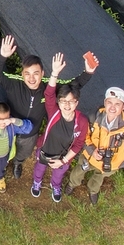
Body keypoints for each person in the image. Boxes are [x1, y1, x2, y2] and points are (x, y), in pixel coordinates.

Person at [0, 35, 98, 179]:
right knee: (4, 148)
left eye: (36, 74)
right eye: (27, 74)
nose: (31, 78)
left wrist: (88, 73)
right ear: (22, 74)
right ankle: (3, 164)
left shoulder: (50, 86)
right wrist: (2, 56)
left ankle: (18, 162)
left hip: (31, 133)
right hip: (9, 127)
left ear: (42, 73)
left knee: (24, 152)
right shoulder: (14, 83)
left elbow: (72, 86)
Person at [66, 86, 124, 205]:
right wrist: (92, 151)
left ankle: (93, 190)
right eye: (109, 102)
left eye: (117, 104)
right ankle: (72, 184)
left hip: (111, 161)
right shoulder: (93, 117)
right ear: (104, 103)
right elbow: (83, 137)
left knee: (99, 177)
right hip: (90, 157)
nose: (112, 107)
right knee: (79, 170)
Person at [30, 53, 89, 203]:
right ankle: (37, 182)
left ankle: (55, 186)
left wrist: (63, 161)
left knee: (58, 175)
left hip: (63, 158)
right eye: (63, 101)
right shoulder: (54, 112)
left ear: (76, 103)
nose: (67, 105)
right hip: (44, 151)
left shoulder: (81, 121)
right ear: (59, 102)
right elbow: (49, 94)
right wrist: (55, 73)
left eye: (71, 101)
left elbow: (78, 144)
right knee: (39, 169)